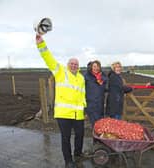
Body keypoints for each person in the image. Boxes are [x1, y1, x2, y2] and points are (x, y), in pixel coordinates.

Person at [36, 34, 86, 168]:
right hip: (63, 114)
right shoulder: (60, 72)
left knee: (80, 135)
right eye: (72, 63)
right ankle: (68, 161)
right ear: (68, 64)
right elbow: (48, 58)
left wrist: (84, 106)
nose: (74, 65)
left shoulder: (81, 77)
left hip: (78, 114)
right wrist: (41, 44)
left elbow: (82, 94)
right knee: (66, 138)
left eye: (76, 64)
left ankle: (78, 153)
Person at [84, 60, 107, 127]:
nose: (96, 68)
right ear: (91, 67)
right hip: (91, 104)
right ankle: (95, 137)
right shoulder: (86, 77)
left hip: (100, 104)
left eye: (97, 66)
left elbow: (108, 88)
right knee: (95, 125)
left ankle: (97, 137)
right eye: (94, 66)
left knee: (100, 124)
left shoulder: (103, 77)